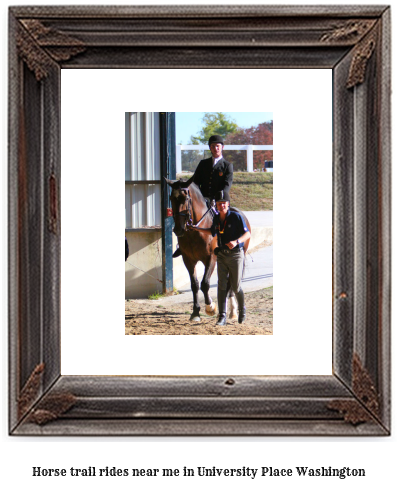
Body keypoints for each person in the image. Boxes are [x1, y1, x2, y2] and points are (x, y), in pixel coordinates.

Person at [189, 191, 251, 326]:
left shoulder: (236, 217)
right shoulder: (216, 218)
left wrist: (236, 241)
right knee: (221, 285)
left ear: (228, 205)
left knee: (236, 286)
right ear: (216, 205)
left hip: (235, 255)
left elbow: (247, 234)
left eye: (224, 203)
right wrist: (196, 229)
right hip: (222, 255)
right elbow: (213, 232)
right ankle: (222, 316)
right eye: (219, 204)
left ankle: (242, 309)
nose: (221, 206)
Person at [172, 134, 233, 258]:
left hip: (219, 200)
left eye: (217, 146)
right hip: (202, 199)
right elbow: (195, 181)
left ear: (222, 147)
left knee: (224, 219)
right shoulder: (203, 163)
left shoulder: (227, 166)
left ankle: (223, 244)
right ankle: (182, 246)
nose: (215, 148)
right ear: (210, 148)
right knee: (188, 215)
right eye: (213, 146)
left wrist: (217, 200)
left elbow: (227, 185)